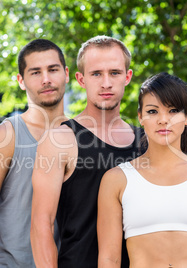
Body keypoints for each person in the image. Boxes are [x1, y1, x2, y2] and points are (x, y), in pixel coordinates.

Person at [97, 72, 187, 268]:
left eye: (173, 111)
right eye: (153, 111)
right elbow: (109, 259)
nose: (163, 120)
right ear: (140, 117)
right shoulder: (117, 180)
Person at [30, 35, 145, 268]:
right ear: (81, 79)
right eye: (96, 74)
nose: (106, 83)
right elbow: (41, 226)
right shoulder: (60, 139)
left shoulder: (146, 142)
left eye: (114, 73)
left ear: (128, 76)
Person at [0, 39, 69, 267]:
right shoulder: (5, 137)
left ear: (66, 74)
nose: (46, 79)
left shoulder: (80, 136)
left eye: (53, 69)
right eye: (35, 72)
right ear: (21, 81)